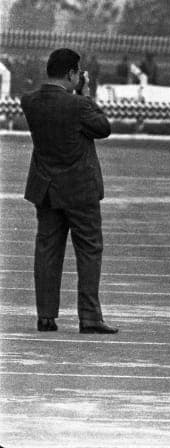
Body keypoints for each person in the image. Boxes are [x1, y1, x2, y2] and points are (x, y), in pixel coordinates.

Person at [22, 48, 117, 334]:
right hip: (79, 189)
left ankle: (46, 315)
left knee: (47, 250)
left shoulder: (30, 101)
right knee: (88, 249)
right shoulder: (78, 106)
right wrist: (84, 95)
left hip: (46, 186)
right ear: (72, 74)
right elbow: (103, 128)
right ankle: (89, 316)